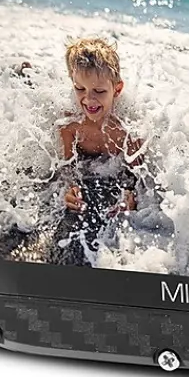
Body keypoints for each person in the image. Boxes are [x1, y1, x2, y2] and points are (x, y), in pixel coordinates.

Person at [53, 38, 143, 264]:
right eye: (79, 88)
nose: (89, 99)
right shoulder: (69, 124)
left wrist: (131, 195)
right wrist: (70, 189)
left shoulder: (127, 129)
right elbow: (68, 166)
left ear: (117, 89)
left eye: (99, 91)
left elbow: (138, 175)